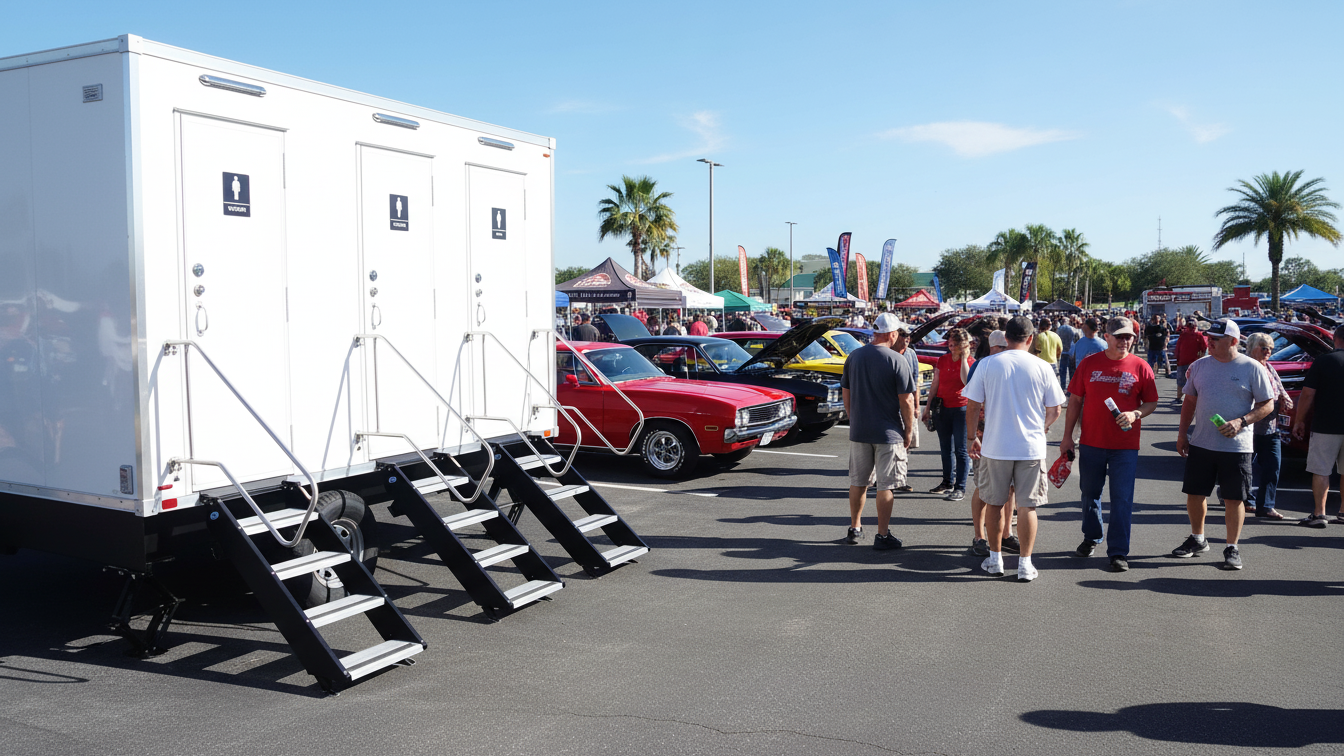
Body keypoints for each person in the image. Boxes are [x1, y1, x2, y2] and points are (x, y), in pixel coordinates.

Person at [963, 316, 1066, 582]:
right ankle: (1025, 563)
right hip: (1030, 447)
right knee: (1027, 507)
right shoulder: (1042, 367)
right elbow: (1055, 409)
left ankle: (995, 559)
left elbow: (972, 405)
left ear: (1005, 338)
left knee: (995, 503)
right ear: (1031, 339)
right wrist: (1040, 428)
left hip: (995, 446)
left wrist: (971, 436)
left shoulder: (987, 364)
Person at [1174, 319, 1275, 570]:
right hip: (1202, 443)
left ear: (1233, 341)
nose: (1209, 341)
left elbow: (1268, 405)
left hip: (1237, 447)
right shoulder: (1199, 366)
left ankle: (1232, 547)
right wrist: (1182, 434)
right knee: (1195, 494)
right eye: (1209, 337)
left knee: (1234, 498)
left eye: (1215, 338)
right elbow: (1189, 401)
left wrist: (1242, 422)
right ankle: (1198, 538)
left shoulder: (1252, 368)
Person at [1061, 318, 1159, 571]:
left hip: (1125, 446)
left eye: (1128, 336)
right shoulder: (1089, 364)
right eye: (1119, 336)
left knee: (1122, 499)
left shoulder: (1141, 366)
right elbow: (1074, 402)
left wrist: (1136, 414)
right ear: (1107, 336)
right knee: (1089, 494)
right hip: (1092, 442)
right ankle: (1092, 536)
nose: (1124, 341)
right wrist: (1067, 436)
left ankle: (1118, 551)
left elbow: (1150, 402)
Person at [841, 313, 918, 550]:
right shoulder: (897, 359)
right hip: (888, 432)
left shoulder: (854, 356)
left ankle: (855, 527)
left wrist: (854, 417)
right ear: (893, 334)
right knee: (886, 486)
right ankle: (882, 535)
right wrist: (908, 430)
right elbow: (906, 401)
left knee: (858, 482)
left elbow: (846, 391)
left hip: (860, 430)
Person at [965, 331, 1019, 556]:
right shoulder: (982, 366)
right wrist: (972, 436)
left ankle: (1006, 533)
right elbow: (972, 403)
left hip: (1009, 435)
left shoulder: (1016, 364)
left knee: (1011, 488)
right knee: (984, 486)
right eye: (1002, 348)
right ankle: (979, 536)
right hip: (986, 435)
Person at [1290, 324, 1344, 527]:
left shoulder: (1323, 361)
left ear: (1334, 339)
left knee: (1321, 470)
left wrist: (1300, 420)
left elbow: (1307, 394)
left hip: (1325, 425)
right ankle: (1343, 512)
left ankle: (1319, 514)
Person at [1245, 332, 1292, 520]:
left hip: (1270, 428)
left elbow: (1281, 390)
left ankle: (1265, 506)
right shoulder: (1245, 367)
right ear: (1251, 347)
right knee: (1243, 467)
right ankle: (1242, 499)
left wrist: (1286, 401)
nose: (1268, 351)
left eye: (1270, 349)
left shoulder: (1270, 368)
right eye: (1263, 347)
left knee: (1273, 465)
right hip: (1248, 427)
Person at [923, 328, 973, 500]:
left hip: (961, 408)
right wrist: (927, 407)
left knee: (961, 450)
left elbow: (967, 382)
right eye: (950, 342)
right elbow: (935, 384)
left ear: (963, 344)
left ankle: (960, 487)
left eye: (955, 343)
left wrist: (964, 359)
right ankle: (947, 481)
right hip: (942, 407)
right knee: (945, 448)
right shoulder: (942, 360)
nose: (951, 345)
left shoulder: (970, 361)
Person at [890, 320, 923, 491]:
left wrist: (917, 406)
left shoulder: (911, 354)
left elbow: (915, 381)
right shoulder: (887, 353)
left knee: (906, 444)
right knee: (885, 444)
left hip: (907, 404)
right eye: (903, 335)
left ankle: (900, 479)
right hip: (890, 405)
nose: (907, 338)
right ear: (895, 335)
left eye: (909, 335)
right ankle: (876, 480)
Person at [1174, 316, 1208, 401]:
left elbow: (1204, 348)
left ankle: (1186, 398)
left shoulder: (1198, 335)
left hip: (1191, 362)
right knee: (1184, 381)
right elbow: (1178, 347)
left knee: (1188, 382)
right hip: (1186, 362)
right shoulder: (1185, 334)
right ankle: (1180, 398)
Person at [1057, 316, 1081, 391]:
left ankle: (1062, 386)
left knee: (1062, 371)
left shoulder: (1059, 329)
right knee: (1071, 371)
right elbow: (1077, 339)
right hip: (1071, 352)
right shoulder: (1072, 329)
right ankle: (1071, 387)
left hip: (1063, 352)